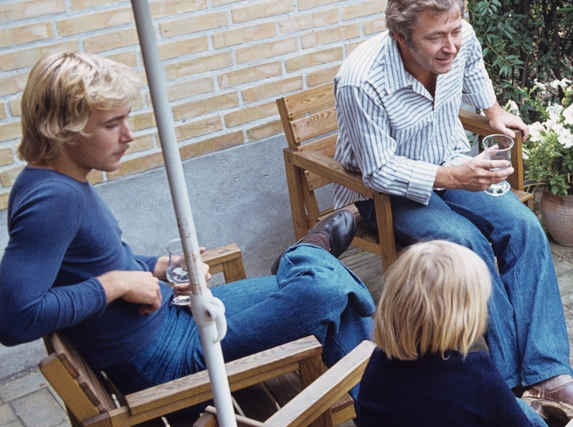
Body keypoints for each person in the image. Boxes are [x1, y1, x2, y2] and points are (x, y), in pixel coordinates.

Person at [0, 52, 374, 392]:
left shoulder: (60, 182)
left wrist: (161, 267)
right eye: (112, 124)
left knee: (332, 297)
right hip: (164, 360)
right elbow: (15, 320)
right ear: (64, 128)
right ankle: (307, 254)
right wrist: (115, 284)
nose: (129, 135)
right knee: (324, 290)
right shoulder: (53, 199)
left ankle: (385, 416)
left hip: (175, 319)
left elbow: (96, 260)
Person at [332, 0, 573, 421]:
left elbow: (472, 63)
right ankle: (506, 382)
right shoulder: (360, 81)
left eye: (455, 30)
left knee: (524, 228)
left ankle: (549, 374)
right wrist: (455, 177)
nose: (451, 45)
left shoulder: (458, 38)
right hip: (387, 191)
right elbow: (379, 169)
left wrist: (493, 110)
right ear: (400, 36)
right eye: (436, 37)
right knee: (466, 245)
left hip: (455, 162)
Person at [355, 240, 547, 427]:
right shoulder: (476, 372)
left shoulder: (379, 360)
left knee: (484, 417)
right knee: (526, 420)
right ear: (466, 312)